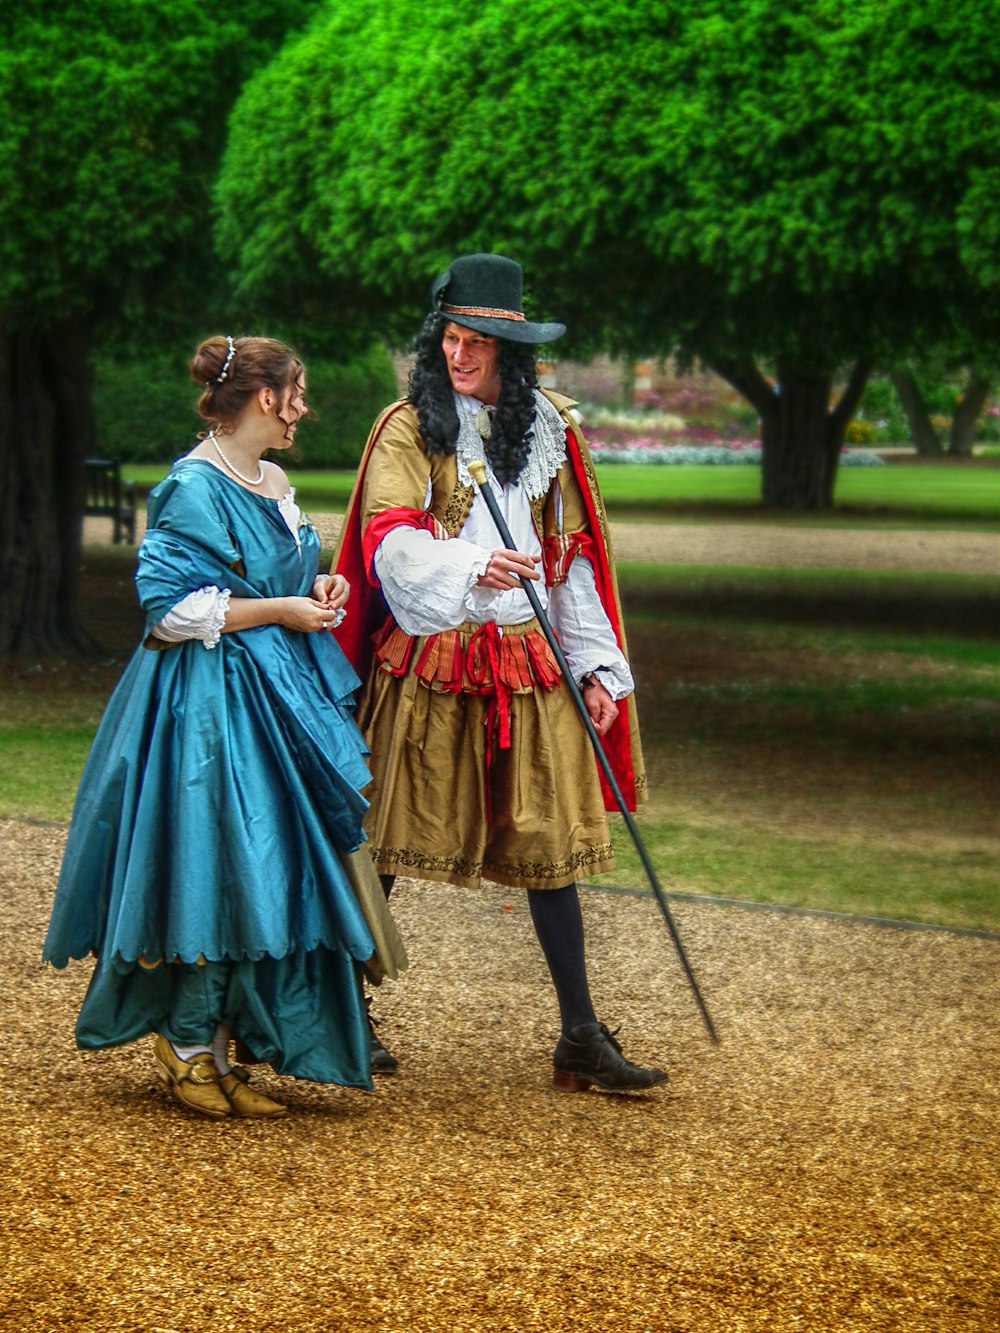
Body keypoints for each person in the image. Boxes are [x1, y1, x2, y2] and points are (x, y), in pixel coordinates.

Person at [44, 335, 406, 1119]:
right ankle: (183, 1045)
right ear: (265, 397)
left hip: (276, 699)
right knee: (211, 862)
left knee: (262, 868)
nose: (303, 407)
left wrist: (314, 582)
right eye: (297, 393)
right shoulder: (192, 485)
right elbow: (169, 610)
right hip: (204, 708)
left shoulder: (270, 478)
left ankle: (213, 1044)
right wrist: (281, 610)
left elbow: (259, 574)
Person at [334, 254, 665, 1092]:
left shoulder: (549, 429)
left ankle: (580, 1036)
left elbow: (571, 561)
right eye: (450, 336)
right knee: (384, 842)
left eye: (476, 340)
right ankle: (342, 1005)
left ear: (510, 350)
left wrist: (595, 666)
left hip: (529, 660)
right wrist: (470, 564)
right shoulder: (410, 426)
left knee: (549, 847)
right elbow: (390, 540)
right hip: (432, 658)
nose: (459, 354)